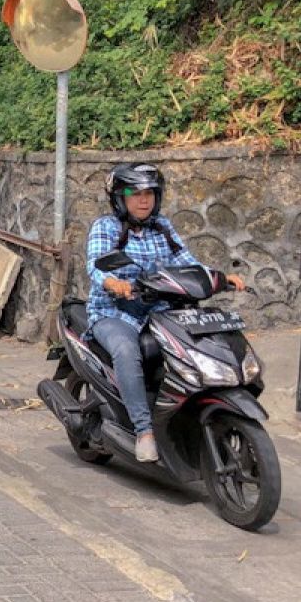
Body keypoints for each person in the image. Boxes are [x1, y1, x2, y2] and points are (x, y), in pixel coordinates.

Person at [86, 163, 246, 463]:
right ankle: (144, 431)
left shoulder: (162, 226)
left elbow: (187, 261)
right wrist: (112, 283)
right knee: (126, 350)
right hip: (116, 312)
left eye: (149, 193)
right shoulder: (105, 227)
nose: (143, 200)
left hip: (163, 311)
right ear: (120, 198)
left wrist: (219, 277)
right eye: (134, 193)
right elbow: (95, 263)